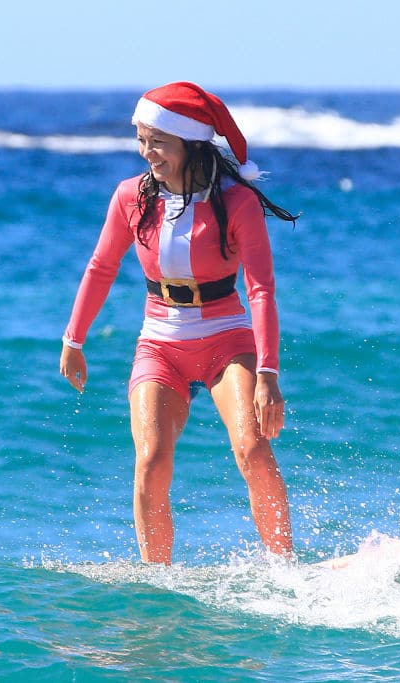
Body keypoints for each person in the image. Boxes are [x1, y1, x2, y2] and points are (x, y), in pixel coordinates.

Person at [59, 82, 297, 564]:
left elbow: (260, 289)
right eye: (142, 140)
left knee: (252, 448)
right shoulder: (131, 197)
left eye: (159, 142)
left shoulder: (236, 202)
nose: (148, 152)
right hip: (160, 345)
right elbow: (101, 267)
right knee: (151, 460)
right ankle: (157, 580)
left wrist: (267, 374)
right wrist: (73, 340)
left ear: (191, 144)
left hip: (226, 339)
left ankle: (285, 566)